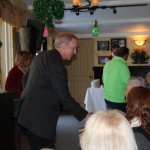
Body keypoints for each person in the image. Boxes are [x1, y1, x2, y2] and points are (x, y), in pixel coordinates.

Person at [18, 32, 91, 150]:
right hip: (40, 119)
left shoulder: (41, 55)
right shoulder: (57, 65)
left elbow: (25, 78)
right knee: (46, 146)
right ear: (63, 47)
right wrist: (86, 115)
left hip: (28, 113)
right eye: (74, 48)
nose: (75, 52)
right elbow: (65, 98)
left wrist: (34, 95)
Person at [5, 51, 33, 150]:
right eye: (29, 59)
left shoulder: (29, 70)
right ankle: (17, 146)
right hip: (18, 100)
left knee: (31, 125)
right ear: (23, 60)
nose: (30, 60)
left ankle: (32, 146)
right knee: (17, 126)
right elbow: (8, 87)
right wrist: (22, 93)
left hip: (28, 100)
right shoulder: (14, 71)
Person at [102, 47, 130, 112]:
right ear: (126, 55)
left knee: (111, 118)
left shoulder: (108, 64)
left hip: (107, 97)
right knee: (120, 120)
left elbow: (103, 80)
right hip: (119, 99)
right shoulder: (123, 65)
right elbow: (128, 83)